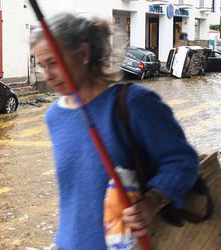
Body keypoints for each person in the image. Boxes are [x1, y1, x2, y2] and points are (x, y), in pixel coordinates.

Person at [30, 13, 199, 250]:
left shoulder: (134, 103)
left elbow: (183, 162)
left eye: (54, 62)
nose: (47, 75)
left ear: (84, 53)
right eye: (42, 65)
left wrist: (153, 200)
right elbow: (75, 195)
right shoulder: (55, 116)